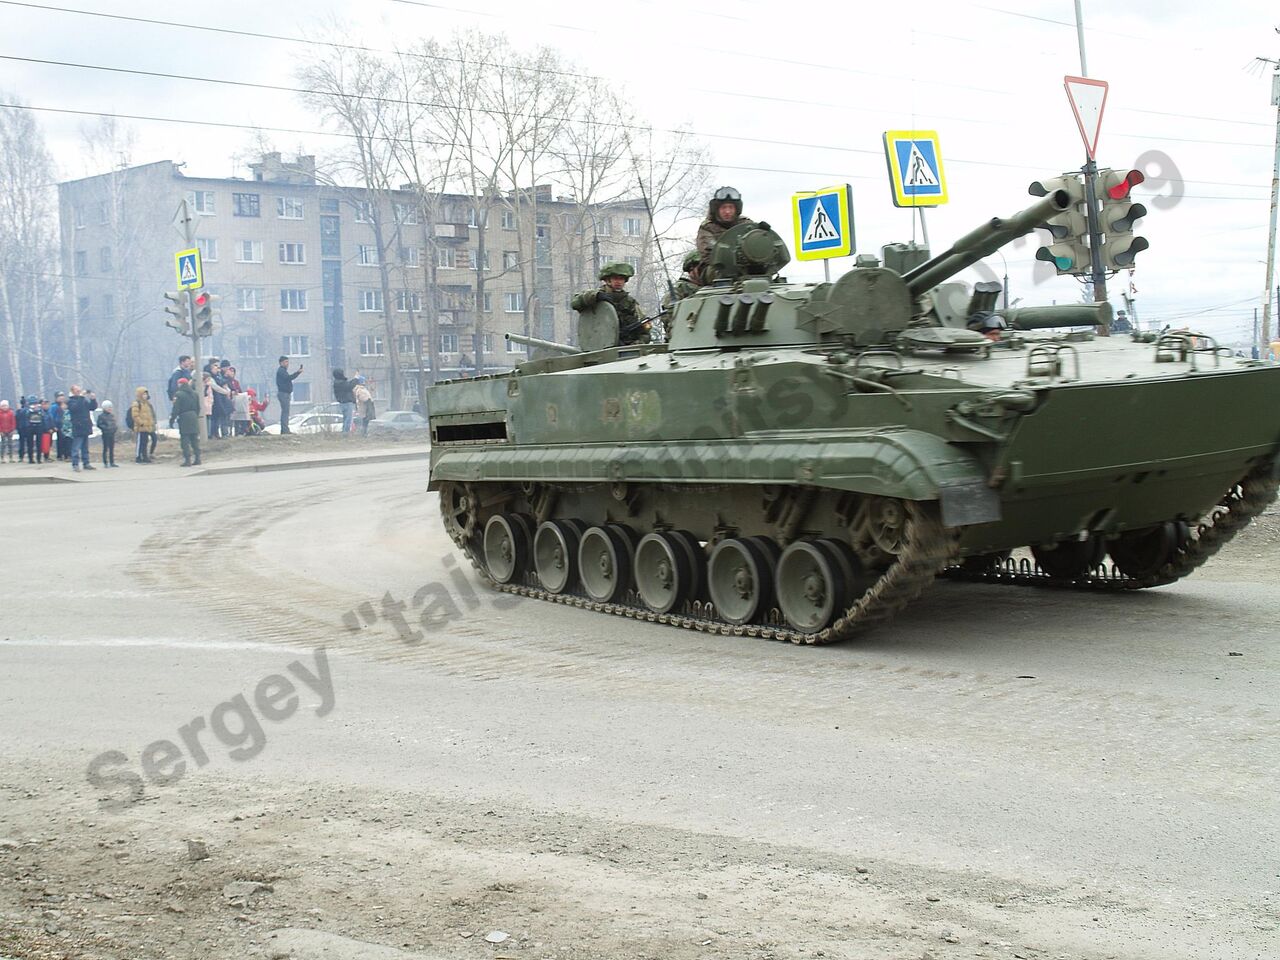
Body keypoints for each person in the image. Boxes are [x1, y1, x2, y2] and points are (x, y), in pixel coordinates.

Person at [571, 262, 650, 346]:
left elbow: (645, 332)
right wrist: (596, 296)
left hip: (626, 347)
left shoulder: (630, 302)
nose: (619, 282)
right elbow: (575, 302)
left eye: (621, 279)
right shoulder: (596, 296)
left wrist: (636, 344)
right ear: (607, 280)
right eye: (615, 278)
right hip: (599, 345)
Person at [695, 186, 755, 266]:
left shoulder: (746, 225)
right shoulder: (708, 227)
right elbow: (709, 254)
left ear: (736, 209)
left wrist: (762, 231)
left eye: (731, 207)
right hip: (717, 267)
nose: (727, 211)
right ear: (716, 209)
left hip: (748, 266)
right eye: (723, 208)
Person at [658, 250, 705, 340]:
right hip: (686, 339)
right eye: (702, 267)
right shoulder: (678, 291)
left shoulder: (713, 288)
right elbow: (669, 321)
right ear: (691, 269)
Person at [66, 384, 98, 471]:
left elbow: (92, 407)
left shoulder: (83, 400)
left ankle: (86, 463)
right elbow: (75, 408)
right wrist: (81, 397)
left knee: (85, 447)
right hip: (77, 426)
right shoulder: (71, 401)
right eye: (77, 390)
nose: (79, 391)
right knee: (76, 447)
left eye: (79, 390)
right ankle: (75, 464)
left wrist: (93, 399)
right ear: (72, 392)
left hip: (85, 426)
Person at [173, 377, 202, 467]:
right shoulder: (195, 394)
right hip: (193, 417)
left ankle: (187, 460)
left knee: (185, 440)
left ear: (180, 384)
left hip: (184, 418)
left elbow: (176, 408)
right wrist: (195, 415)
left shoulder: (179, 394)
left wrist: (172, 418)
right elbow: (198, 407)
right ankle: (197, 458)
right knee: (194, 439)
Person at [276, 356, 303, 433]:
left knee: (285, 412)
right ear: (281, 363)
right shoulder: (281, 371)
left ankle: (284, 429)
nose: (287, 364)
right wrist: (298, 372)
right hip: (283, 394)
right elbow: (288, 378)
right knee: (285, 412)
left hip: (285, 394)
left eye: (288, 362)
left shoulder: (282, 371)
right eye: (285, 362)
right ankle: (285, 430)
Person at [129, 387, 156, 463]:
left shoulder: (147, 404)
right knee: (140, 442)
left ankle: (145, 456)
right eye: (143, 394)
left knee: (145, 442)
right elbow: (135, 415)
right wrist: (141, 423)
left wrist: (151, 424)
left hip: (147, 427)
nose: (145, 396)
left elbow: (150, 415)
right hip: (141, 427)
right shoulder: (136, 404)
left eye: (146, 394)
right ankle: (138, 457)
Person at [166, 355, 194, 427]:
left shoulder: (187, 372)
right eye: (187, 361)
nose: (189, 363)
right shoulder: (177, 373)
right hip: (181, 397)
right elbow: (174, 386)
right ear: (182, 362)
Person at [332, 369, 361, 434]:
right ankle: (345, 433)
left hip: (343, 402)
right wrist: (356, 378)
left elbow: (348, 385)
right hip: (346, 402)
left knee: (346, 418)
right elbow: (349, 386)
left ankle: (344, 432)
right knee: (348, 419)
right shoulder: (340, 382)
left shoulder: (337, 382)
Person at [26, 397, 49, 463]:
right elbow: (26, 418)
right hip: (30, 427)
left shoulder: (40, 410)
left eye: (35, 403)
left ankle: (38, 458)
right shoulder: (28, 410)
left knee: (39, 443)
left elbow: (43, 418)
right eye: (32, 403)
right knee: (30, 444)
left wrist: (45, 428)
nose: (34, 405)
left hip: (39, 427)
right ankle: (31, 459)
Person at [96, 400, 119, 467]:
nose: (110, 409)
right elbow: (99, 424)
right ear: (104, 408)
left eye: (111, 407)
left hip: (112, 434)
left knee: (112, 448)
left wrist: (115, 429)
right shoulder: (101, 416)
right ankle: (105, 462)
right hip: (105, 434)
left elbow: (114, 424)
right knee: (105, 448)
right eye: (108, 407)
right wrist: (106, 429)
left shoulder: (112, 416)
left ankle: (112, 462)